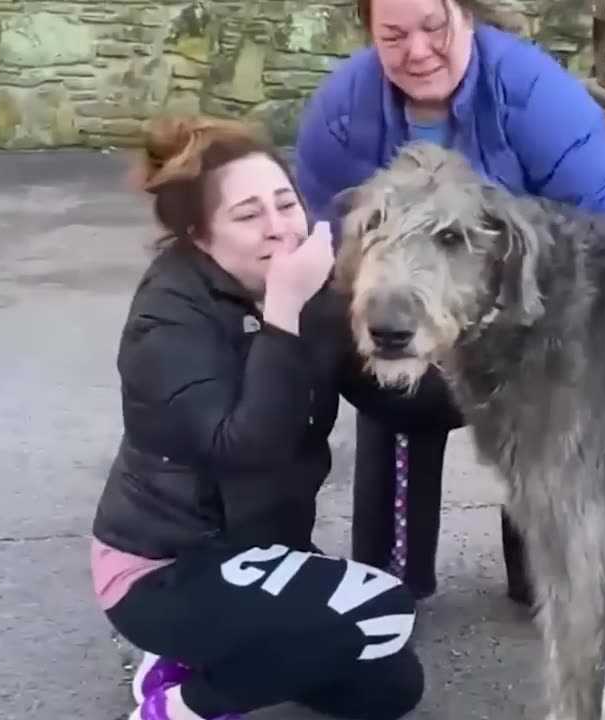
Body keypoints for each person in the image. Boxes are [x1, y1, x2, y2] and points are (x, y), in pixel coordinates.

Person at [294, 0, 605, 607]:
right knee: (388, 584)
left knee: (551, 573)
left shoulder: (534, 95)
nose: (418, 50)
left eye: (433, 26)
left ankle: (551, 553)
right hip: (403, 332)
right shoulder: (343, 109)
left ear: (467, 13)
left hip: (518, 327)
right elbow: (316, 239)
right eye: (393, 34)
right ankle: (393, 568)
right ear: (368, 33)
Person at [89, 115, 460, 720]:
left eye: (286, 204)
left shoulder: (311, 293)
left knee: (389, 688)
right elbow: (242, 449)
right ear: (199, 235)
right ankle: (178, 707)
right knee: (383, 606)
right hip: (166, 567)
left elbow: (390, 396)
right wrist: (285, 309)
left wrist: (489, 381)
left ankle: (199, 657)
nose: (279, 229)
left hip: (263, 553)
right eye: (247, 215)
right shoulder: (167, 319)